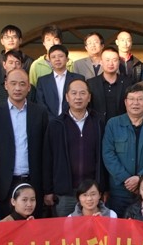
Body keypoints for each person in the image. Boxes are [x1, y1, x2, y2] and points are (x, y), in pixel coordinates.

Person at [0, 68, 48, 218]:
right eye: (13, 83)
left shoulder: (40, 112)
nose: (18, 88)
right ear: (6, 85)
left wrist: (47, 187)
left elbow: (46, 151)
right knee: (8, 228)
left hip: (33, 180)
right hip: (6, 183)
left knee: (34, 227)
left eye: (22, 84)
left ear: (29, 87)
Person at [102, 84, 143, 217]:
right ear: (125, 102)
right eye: (131, 99)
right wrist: (126, 179)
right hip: (120, 191)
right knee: (119, 228)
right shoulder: (113, 124)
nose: (135, 103)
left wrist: (140, 179)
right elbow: (108, 154)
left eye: (140, 99)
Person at [43, 79, 106, 217]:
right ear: (67, 97)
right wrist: (48, 190)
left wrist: (103, 187)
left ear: (89, 97)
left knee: (91, 229)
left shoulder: (98, 122)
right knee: (65, 229)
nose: (78, 97)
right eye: (74, 93)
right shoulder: (56, 124)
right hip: (65, 193)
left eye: (82, 93)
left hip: (92, 192)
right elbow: (48, 158)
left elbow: (103, 156)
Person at [36, 44, 84, 119]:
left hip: (72, 120)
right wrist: (53, 120)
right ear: (50, 60)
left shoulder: (78, 78)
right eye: (53, 57)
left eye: (61, 56)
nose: (57, 59)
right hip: (49, 122)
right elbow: (41, 103)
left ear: (67, 59)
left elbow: (82, 100)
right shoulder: (42, 81)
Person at [87, 46, 132, 123]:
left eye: (114, 60)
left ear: (119, 62)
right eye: (107, 60)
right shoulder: (91, 83)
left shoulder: (128, 83)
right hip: (97, 125)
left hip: (122, 125)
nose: (111, 63)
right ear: (101, 62)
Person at [0, 24, 34, 89]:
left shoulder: (29, 61)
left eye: (14, 37)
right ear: (2, 41)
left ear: (20, 40)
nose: (11, 40)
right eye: (7, 37)